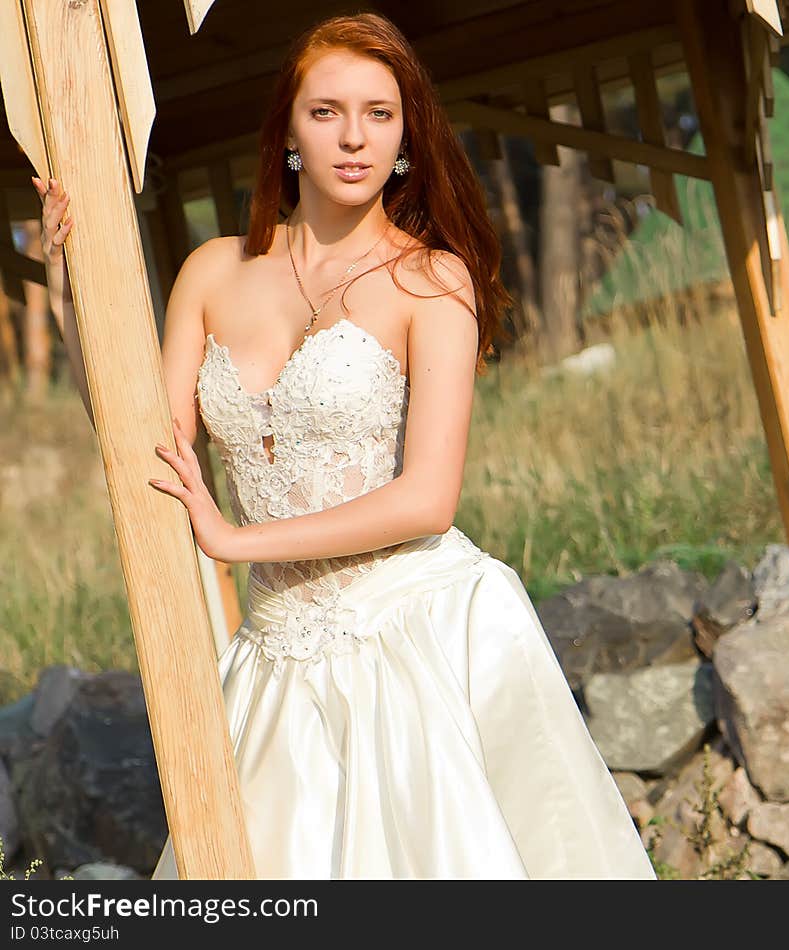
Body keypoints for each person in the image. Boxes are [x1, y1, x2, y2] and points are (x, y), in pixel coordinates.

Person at [34, 11, 655, 880]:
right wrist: (70, 293)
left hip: (420, 628)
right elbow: (148, 446)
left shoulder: (430, 279)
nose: (354, 137)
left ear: (407, 135)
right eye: (326, 112)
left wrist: (234, 540)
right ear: (288, 129)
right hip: (275, 656)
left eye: (380, 113)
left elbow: (427, 498)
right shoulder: (213, 272)